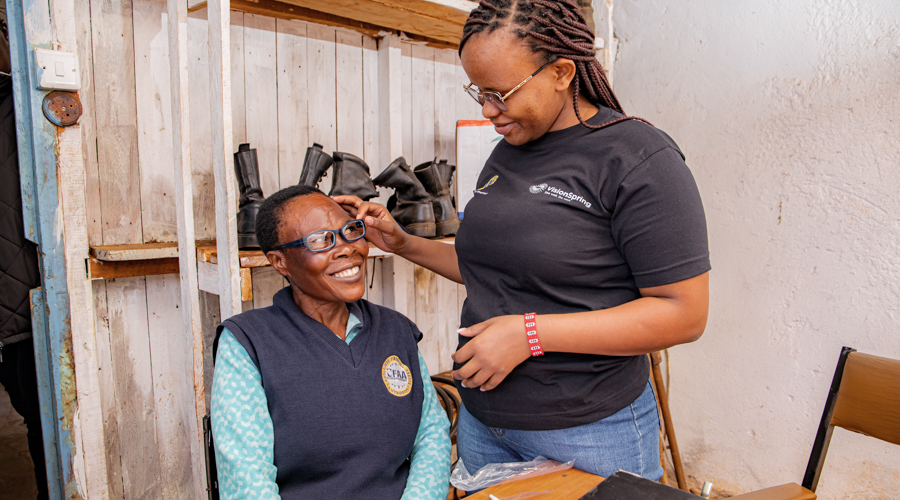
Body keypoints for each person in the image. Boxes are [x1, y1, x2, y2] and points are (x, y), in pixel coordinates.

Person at [334, 0, 710, 483]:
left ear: (560, 72)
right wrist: (404, 243)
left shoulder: (637, 157)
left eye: (501, 93)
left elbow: (684, 312)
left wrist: (530, 335)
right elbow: (494, 271)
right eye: (479, 93)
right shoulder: (509, 151)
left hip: (589, 430)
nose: (489, 111)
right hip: (484, 422)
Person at [210, 185, 451, 500]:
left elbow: (431, 436)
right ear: (279, 262)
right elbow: (246, 483)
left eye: (350, 230)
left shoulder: (394, 330)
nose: (346, 248)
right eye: (320, 240)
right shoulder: (248, 344)